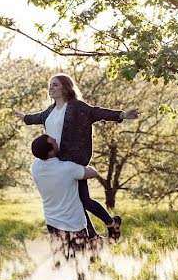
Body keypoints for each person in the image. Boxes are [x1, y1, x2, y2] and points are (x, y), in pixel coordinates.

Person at [17, 74, 139, 237]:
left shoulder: (77, 107)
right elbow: (36, 117)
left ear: (66, 87)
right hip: (57, 164)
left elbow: (97, 112)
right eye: (50, 85)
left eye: (55, 85)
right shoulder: (50, 112)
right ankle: (95, 235)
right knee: (75, 203)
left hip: (72, 162)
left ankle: (110, 224)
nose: (51, 88)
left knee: (84, 200)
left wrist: (122, 115)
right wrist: (24, 118)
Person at [29, 134, 119, 240]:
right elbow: (93, 173)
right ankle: (105, 239)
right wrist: (83, 165)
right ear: (50, 152)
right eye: (52, 141)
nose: (55, 139)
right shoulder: (67, 168)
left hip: (52, 223)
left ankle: (98, 240)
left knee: (62, 255)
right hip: (73, 226)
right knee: (83, 255)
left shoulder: (35, 167)